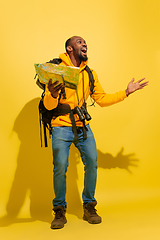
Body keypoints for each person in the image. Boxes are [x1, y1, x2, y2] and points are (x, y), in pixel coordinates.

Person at [43, 36, 148, 229]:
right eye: (79, 41)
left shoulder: (90, 73)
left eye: (85, 42)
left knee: (91, 163)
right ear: (69, 48)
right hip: (61, 126)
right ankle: (59, 210)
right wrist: (53, 93)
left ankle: (89, 206)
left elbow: (101, 99)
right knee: (60, 167)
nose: (84, 44)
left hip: (83, 126)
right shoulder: (56, 69)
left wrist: (125, 92)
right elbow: (48, 106)